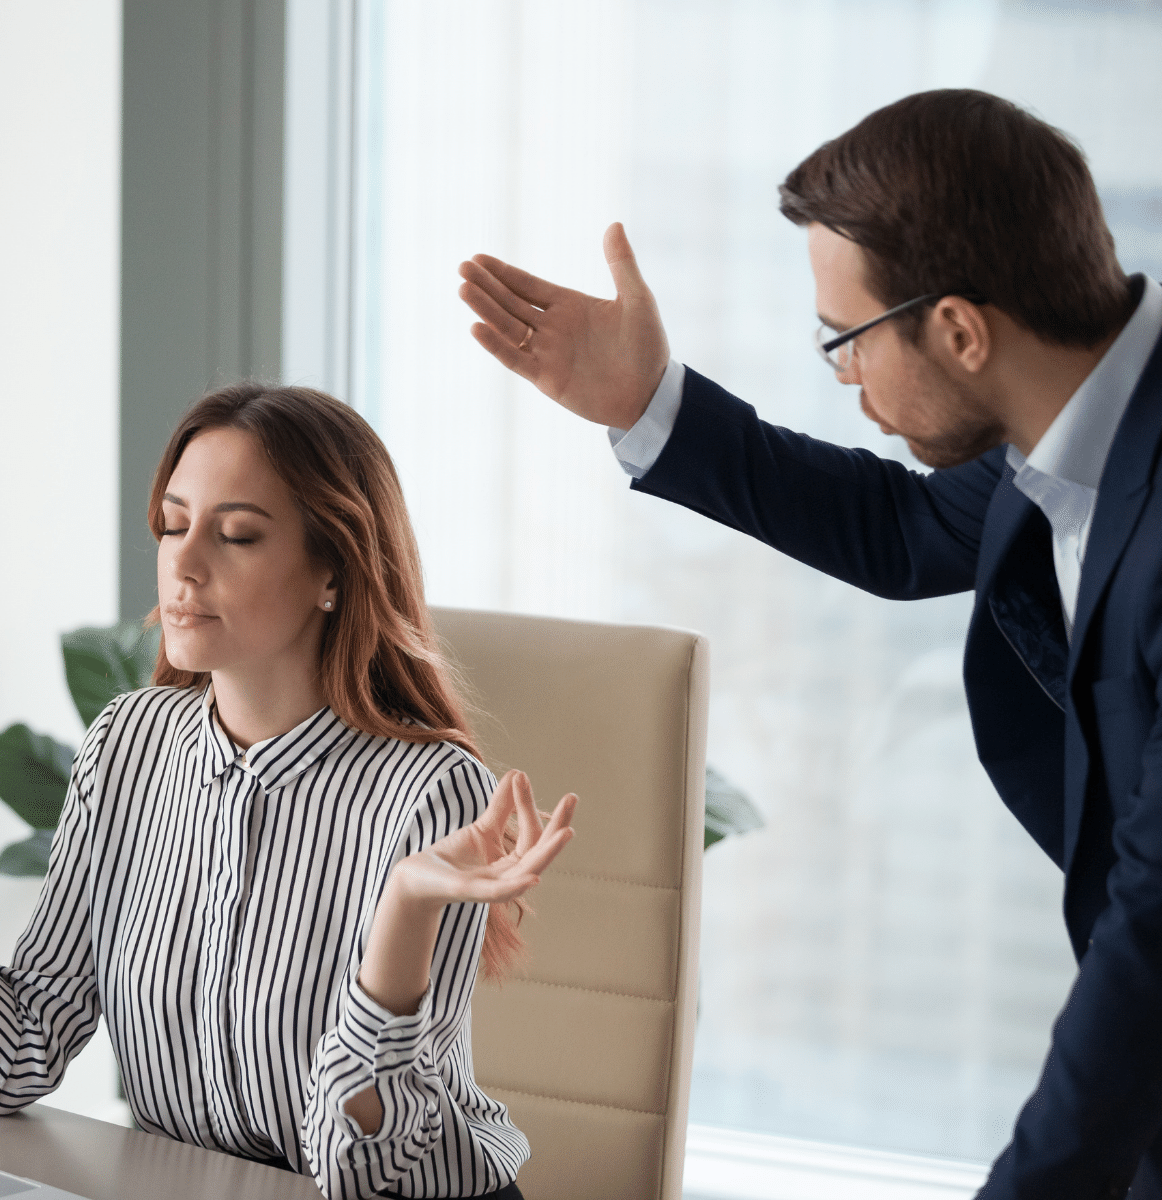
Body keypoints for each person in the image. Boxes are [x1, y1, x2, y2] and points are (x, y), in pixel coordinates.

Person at [459, 88, 1162, 1198]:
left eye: (847, 341)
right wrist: (648, 401)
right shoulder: (1073, 421)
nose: (849, 382)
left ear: (962, 330)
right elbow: (903, 527)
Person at [0, 383, 576, 1200]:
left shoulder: (431, 793)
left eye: (236, 535)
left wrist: (405, 910)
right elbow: (17, 1052)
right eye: (171, 526)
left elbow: (359, 1172)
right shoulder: (132, 742)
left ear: (334, 573)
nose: (184, 565)